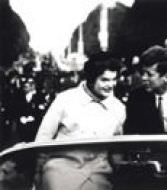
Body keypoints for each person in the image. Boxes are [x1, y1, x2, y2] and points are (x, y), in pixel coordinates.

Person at [34, 52, 126, 190]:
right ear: (91, 78)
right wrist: (37, 173)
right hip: (60, 168)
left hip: (98, 172)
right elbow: (43, 138)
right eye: (104, 80)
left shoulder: (118, 108)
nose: (111, 85)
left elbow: (117, 150)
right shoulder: (64, 99)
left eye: (114, 79)